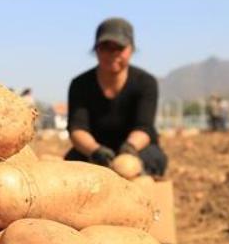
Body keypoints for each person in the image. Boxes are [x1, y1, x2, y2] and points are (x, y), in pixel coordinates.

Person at [64, 17, 167, 176]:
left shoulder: (145, 82)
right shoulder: (80, 84)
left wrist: (129, 149)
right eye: (105, 47)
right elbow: (77, 128)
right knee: (71, 166)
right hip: (95, 149)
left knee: (149, 161)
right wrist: (95, 150)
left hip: (137, 148)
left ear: (131, 49)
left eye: (118, 47)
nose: (112, 54)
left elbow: (144, 127)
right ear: (96, 49)